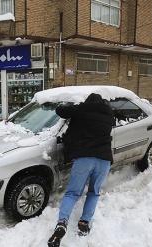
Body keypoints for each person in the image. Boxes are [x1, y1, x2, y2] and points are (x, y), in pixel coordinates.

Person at [47, 93, 115, 247]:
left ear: (87, 102)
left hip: (85, 159)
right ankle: (84, 222)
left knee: (72, 193)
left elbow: (60, 111)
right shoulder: (109, 114)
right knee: (94, 192)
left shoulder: (82, 109)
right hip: (104, 160)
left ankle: (62, 223)